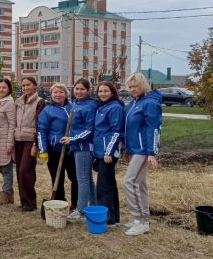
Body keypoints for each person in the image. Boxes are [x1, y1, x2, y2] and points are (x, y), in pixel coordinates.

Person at [123, 72, 162, 236]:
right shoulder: (133, 103)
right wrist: (127, 149)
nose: (132, 89)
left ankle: (140, 220)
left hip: (143, 150)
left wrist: (152, 153)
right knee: (141, 185)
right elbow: (130, 128)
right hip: (134, 149)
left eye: (135, 86)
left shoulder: (149, 103)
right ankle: (143, 218)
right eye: (130, 87)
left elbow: (153, 129)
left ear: (143, 85)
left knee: (129, 182)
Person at [60, 79, 98, 222]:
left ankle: (80, 211)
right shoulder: (76, 104)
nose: (79, 92)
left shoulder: (90, 106)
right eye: (76, 89)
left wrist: (73, 139)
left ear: (88, 90)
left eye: (82, 89)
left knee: (82, 179)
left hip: (84, 147)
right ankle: (93, 206)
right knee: (87, 179)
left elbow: (89, 130)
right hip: (77, 147)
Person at [37, 83, 77, 210]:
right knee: (57, 178)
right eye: (55, 92)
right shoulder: (47, 110)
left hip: (72, 149)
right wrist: (43, 150)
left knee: (75, 177)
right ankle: (60, 202)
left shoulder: (73, 107)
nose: (58, 95)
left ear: (66, 94)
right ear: (51, 94)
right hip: (55, 150)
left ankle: (76, 203)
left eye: (61, 92)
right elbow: (41, 131)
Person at [93, 82, 125, 227]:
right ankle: (114, 217)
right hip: (100, 152)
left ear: (112, 92)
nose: (102, 93)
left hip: (108, 153)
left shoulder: (115, 108)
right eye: (100, 91)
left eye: (106, 91)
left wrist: (108, 152)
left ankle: (107, 218)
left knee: (103, 186)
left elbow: (116, 131)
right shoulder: (101, 106)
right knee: (109, 184)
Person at [14, 77, 44, 212]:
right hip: (18, 139)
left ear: (35, 86)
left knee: (26, 170)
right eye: (23, 85)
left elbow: (40, 124)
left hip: (30, 140)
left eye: (28, 85)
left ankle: (31, 202)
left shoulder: (39, 102)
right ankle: (23, 200)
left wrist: (36, 144)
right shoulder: (19, 102)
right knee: (19, 171)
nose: (25, 88)